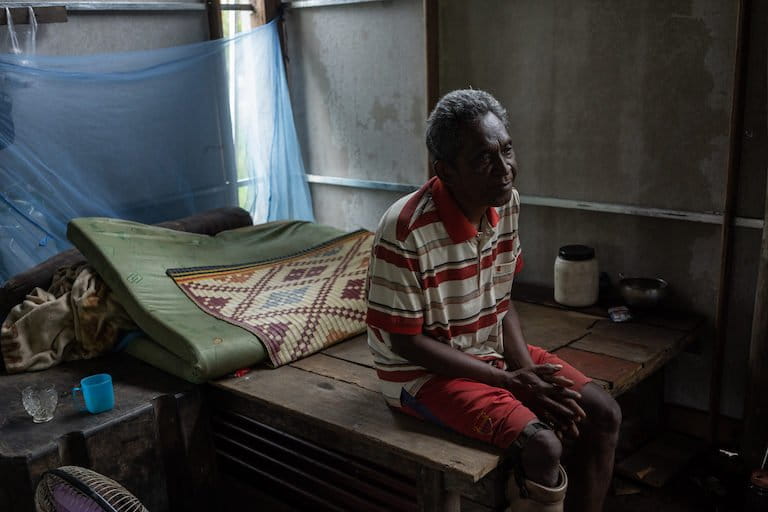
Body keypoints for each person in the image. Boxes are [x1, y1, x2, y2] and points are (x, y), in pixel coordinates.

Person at [365, 89, 621, 512]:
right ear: (444, 170)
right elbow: (404, 343)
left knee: (603, 415)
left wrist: (525, 369)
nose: (505, 170)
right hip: (420, 375)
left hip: (489, 352)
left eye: (507, 150)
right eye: (484, 158)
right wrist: (509, 382)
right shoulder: (406, 228)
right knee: (544, 446)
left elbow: (501, 302)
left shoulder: (505, 204)